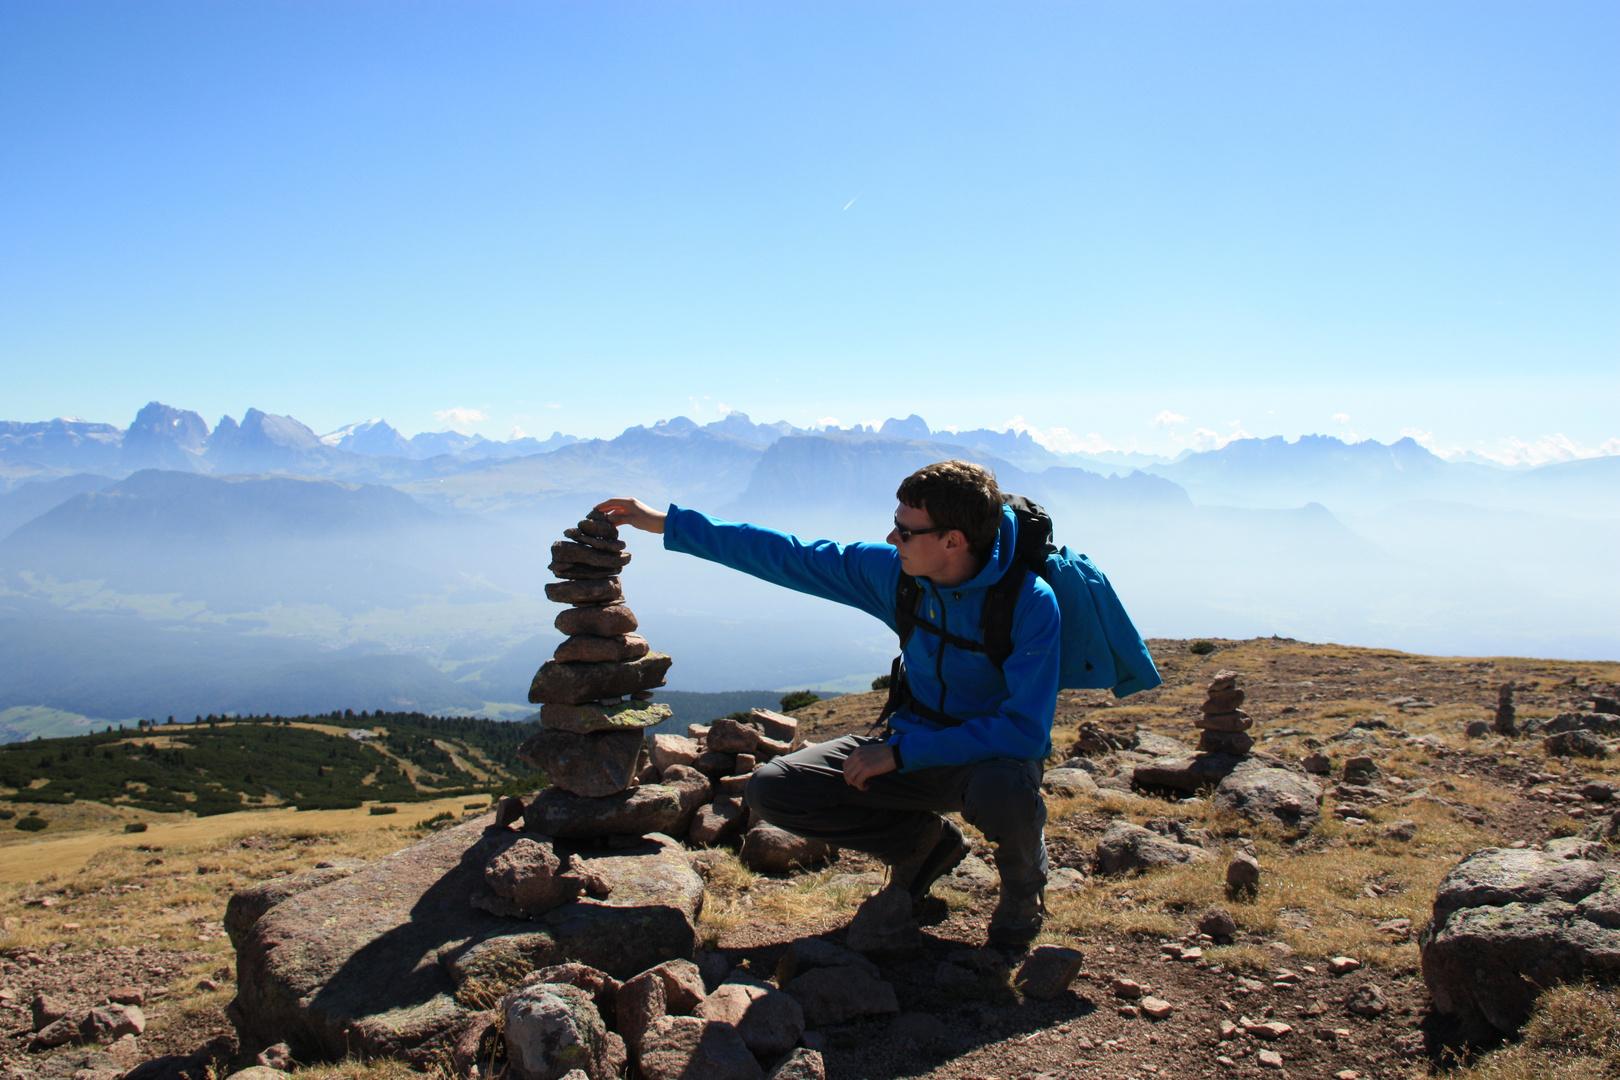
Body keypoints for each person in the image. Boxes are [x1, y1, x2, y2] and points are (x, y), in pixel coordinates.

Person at [596, 458, 1061, 947]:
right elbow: (788, 554)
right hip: (910, 742)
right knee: (772, 789)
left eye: (905, 531)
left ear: (952, 541)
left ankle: (1023, 894)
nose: (891, 539)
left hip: (983, 760)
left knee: (1004, 792)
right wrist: (665, 523)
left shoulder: (1029, 602)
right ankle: (925, 847)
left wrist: (900, 754)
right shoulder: (896, 576)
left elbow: (1025, 731)